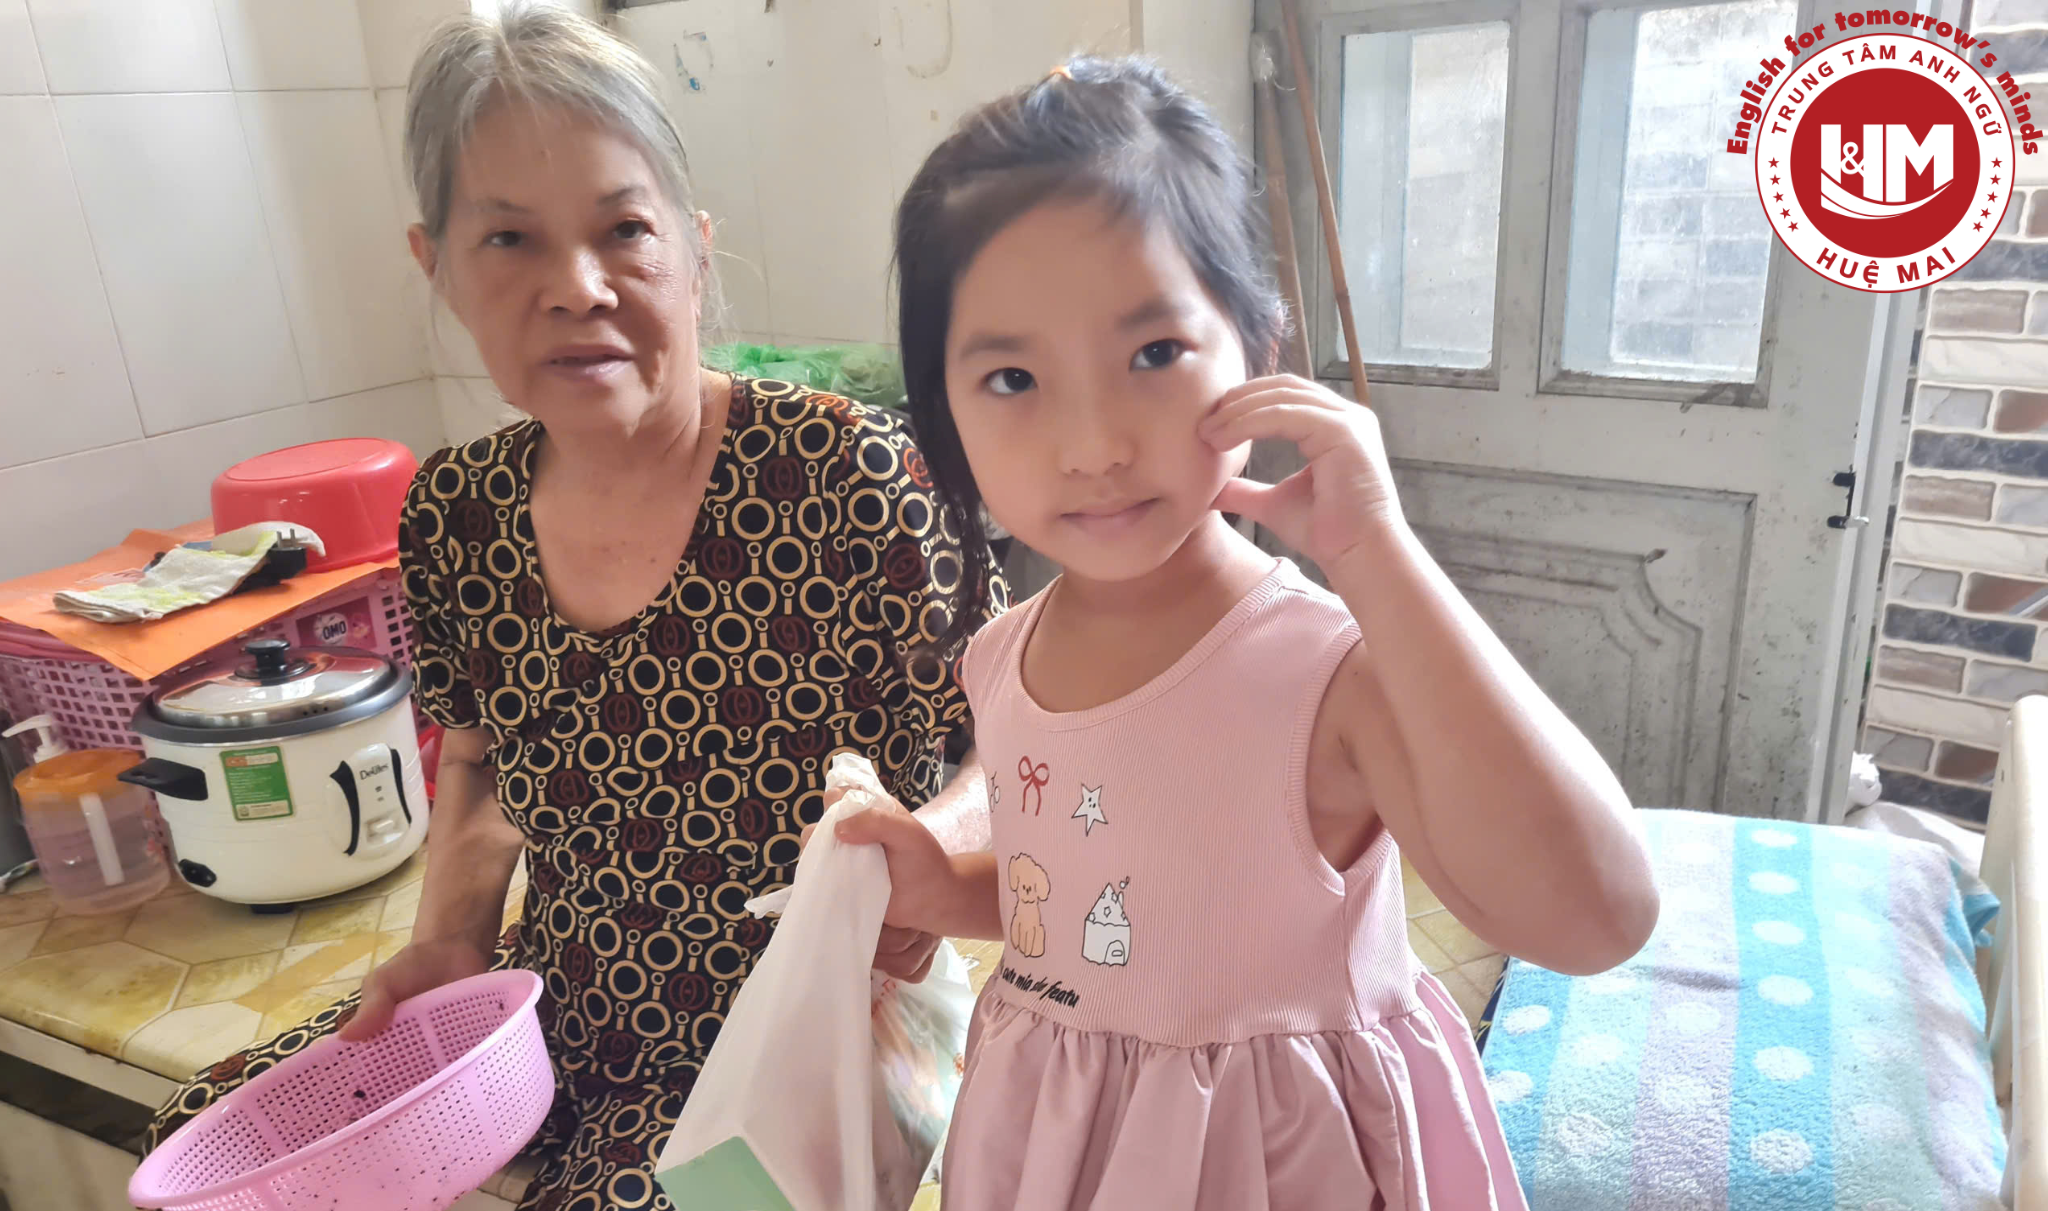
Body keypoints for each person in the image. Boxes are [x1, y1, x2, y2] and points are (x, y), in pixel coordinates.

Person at [143, 7, 1001, 1209]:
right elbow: (479, 760)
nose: (576, 288)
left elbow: (1019, 731)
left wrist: (933, 855)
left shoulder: (847, 476)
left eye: (623, 231)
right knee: (212, 1147)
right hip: (563, 991)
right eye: (508, 238)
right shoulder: (456, 511)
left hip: (820, 1009)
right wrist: (450, 941)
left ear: (695, 249)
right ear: (436, 264)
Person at [829, 58, 1660, 1210]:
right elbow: (1082, 900)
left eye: (1151, 354)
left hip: (1273, 1157)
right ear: (944, 410)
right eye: (1012, 376)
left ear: (1258, 349)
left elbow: (1594, 914)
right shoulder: (1002, 654)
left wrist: (1380, 558)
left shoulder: (1323, 664)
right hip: (1060, 1138)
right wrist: (945, 888)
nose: (1092, 443)